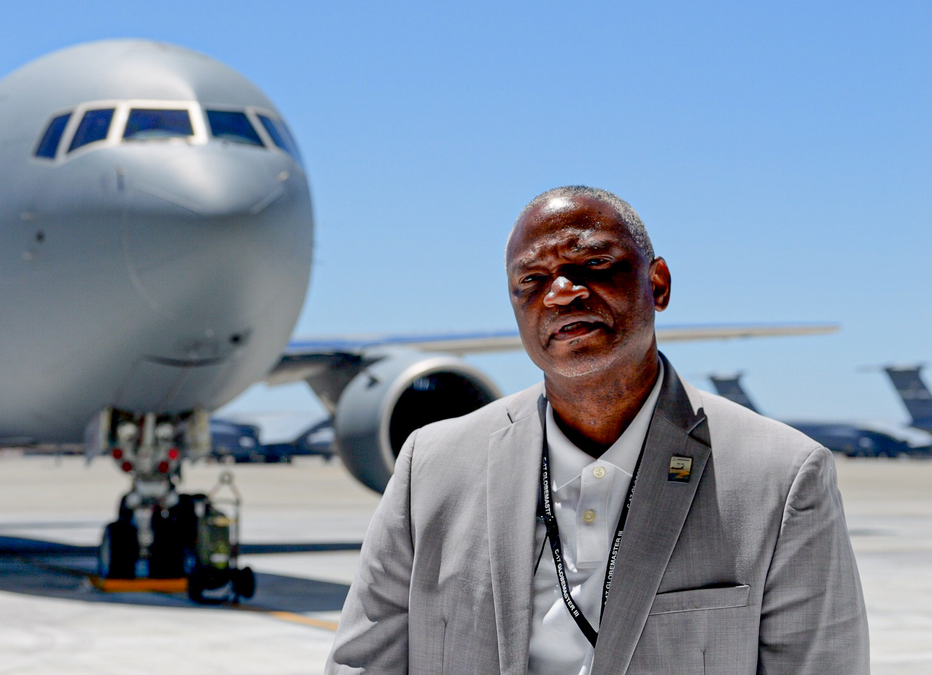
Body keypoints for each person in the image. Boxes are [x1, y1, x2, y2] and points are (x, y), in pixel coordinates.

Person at [325, 186, 869, 674]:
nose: (561, 292)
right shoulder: (431, 466)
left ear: (658, 284)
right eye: (531, 280)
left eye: (594, 262)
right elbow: (360, 664)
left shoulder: (781, 478)